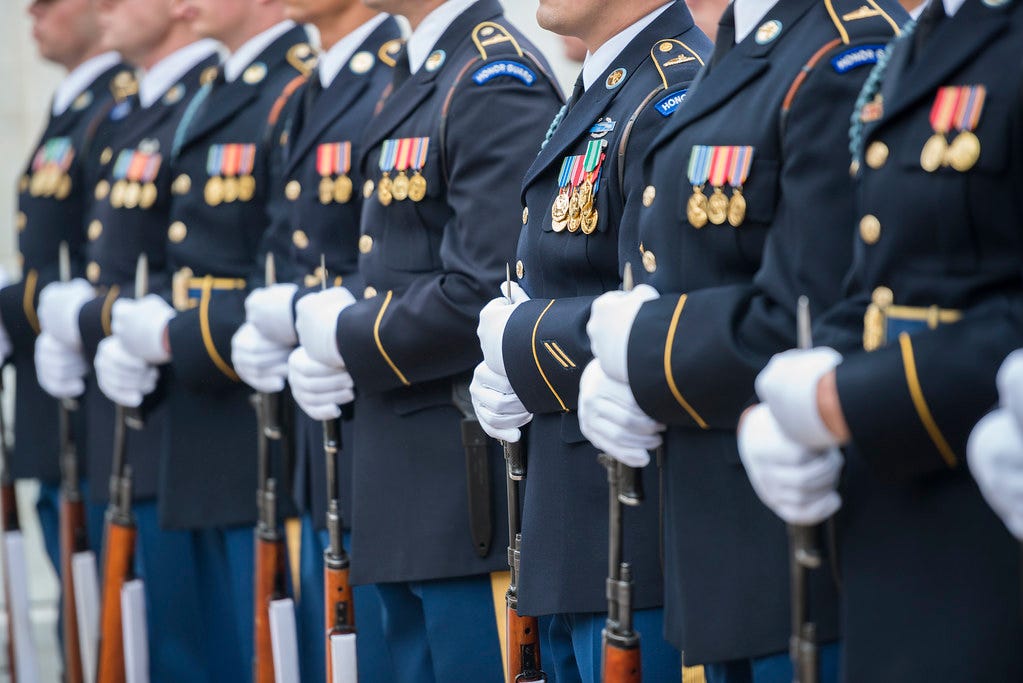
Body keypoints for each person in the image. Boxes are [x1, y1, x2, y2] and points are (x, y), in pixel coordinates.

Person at [576, 0, 905, 680]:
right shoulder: (740, 42)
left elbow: (812, 319)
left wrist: (642, 346)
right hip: (715, 544)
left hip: (801, 550)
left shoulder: (845, 49)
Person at [737, 0, 1023, 679]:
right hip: (893, 524)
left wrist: (845, 395)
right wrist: (805, 378)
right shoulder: (927, 35)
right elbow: (882, 272)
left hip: (990, 542)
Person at [285, 0, 562, 679]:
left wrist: (348, 333)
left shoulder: (492, 76)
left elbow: (486, 289)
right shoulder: (425, 70)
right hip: (403, 484)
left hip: (462, 496)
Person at [467, 1, 709, 680]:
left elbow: (656, 311)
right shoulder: (608, 81)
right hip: (564, 517)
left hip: (634, 522)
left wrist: (521, 340)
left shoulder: (670, 88)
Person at [89, 0, 309, 678]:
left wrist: (175, 330)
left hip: (258, 409)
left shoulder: (289, 86)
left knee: (260, 641)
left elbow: (285, 259)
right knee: (207, 646)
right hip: (198, 396)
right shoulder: (219, 88)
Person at [33, 0, 218, 679]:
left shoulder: (199, 103)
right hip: (115, 411)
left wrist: (92, 319)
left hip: (178, 412)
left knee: (184, 644)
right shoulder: (126, 112)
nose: (107, 6)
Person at [231, 0, 401, 679]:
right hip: (316, 413)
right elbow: (283, 241)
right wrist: (266, 311)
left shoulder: (393, 71)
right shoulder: (308, 89)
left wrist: (309, 312)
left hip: (381, 397)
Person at [0, 0, 127, 578]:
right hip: (48, 379)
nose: (33, 11)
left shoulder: (114, 104)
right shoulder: (75, 104)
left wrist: (13, 302)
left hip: (95, 380)